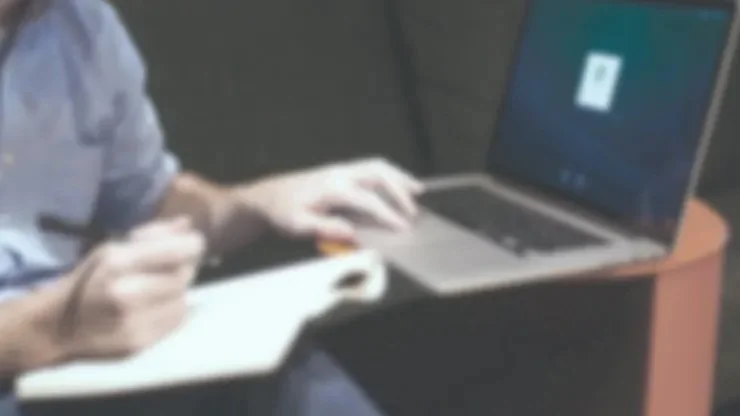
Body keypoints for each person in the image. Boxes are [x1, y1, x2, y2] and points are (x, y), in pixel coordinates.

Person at [0, 0, 424, 414]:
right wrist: (55, 327)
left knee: (299, 384)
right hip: (34, 355)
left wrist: (261, 201)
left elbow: (149, 204)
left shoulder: (81, 27)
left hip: (70, 362)